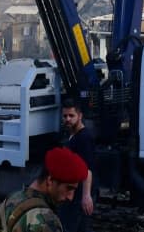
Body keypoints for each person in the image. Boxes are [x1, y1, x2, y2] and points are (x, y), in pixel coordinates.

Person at [0, 147, 88, 232]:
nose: (70, 197)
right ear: (50, 181)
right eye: (69, 188)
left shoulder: (9, 200)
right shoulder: (47, 222)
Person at [58, 99, 97, 232]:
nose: (68, 119)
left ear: (79, 116)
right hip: (71, 193)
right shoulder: (71, 136)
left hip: (79, 195)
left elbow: (87, 169)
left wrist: (86, 196)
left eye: (71, 116)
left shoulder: (84, 138)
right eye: (65, 116)